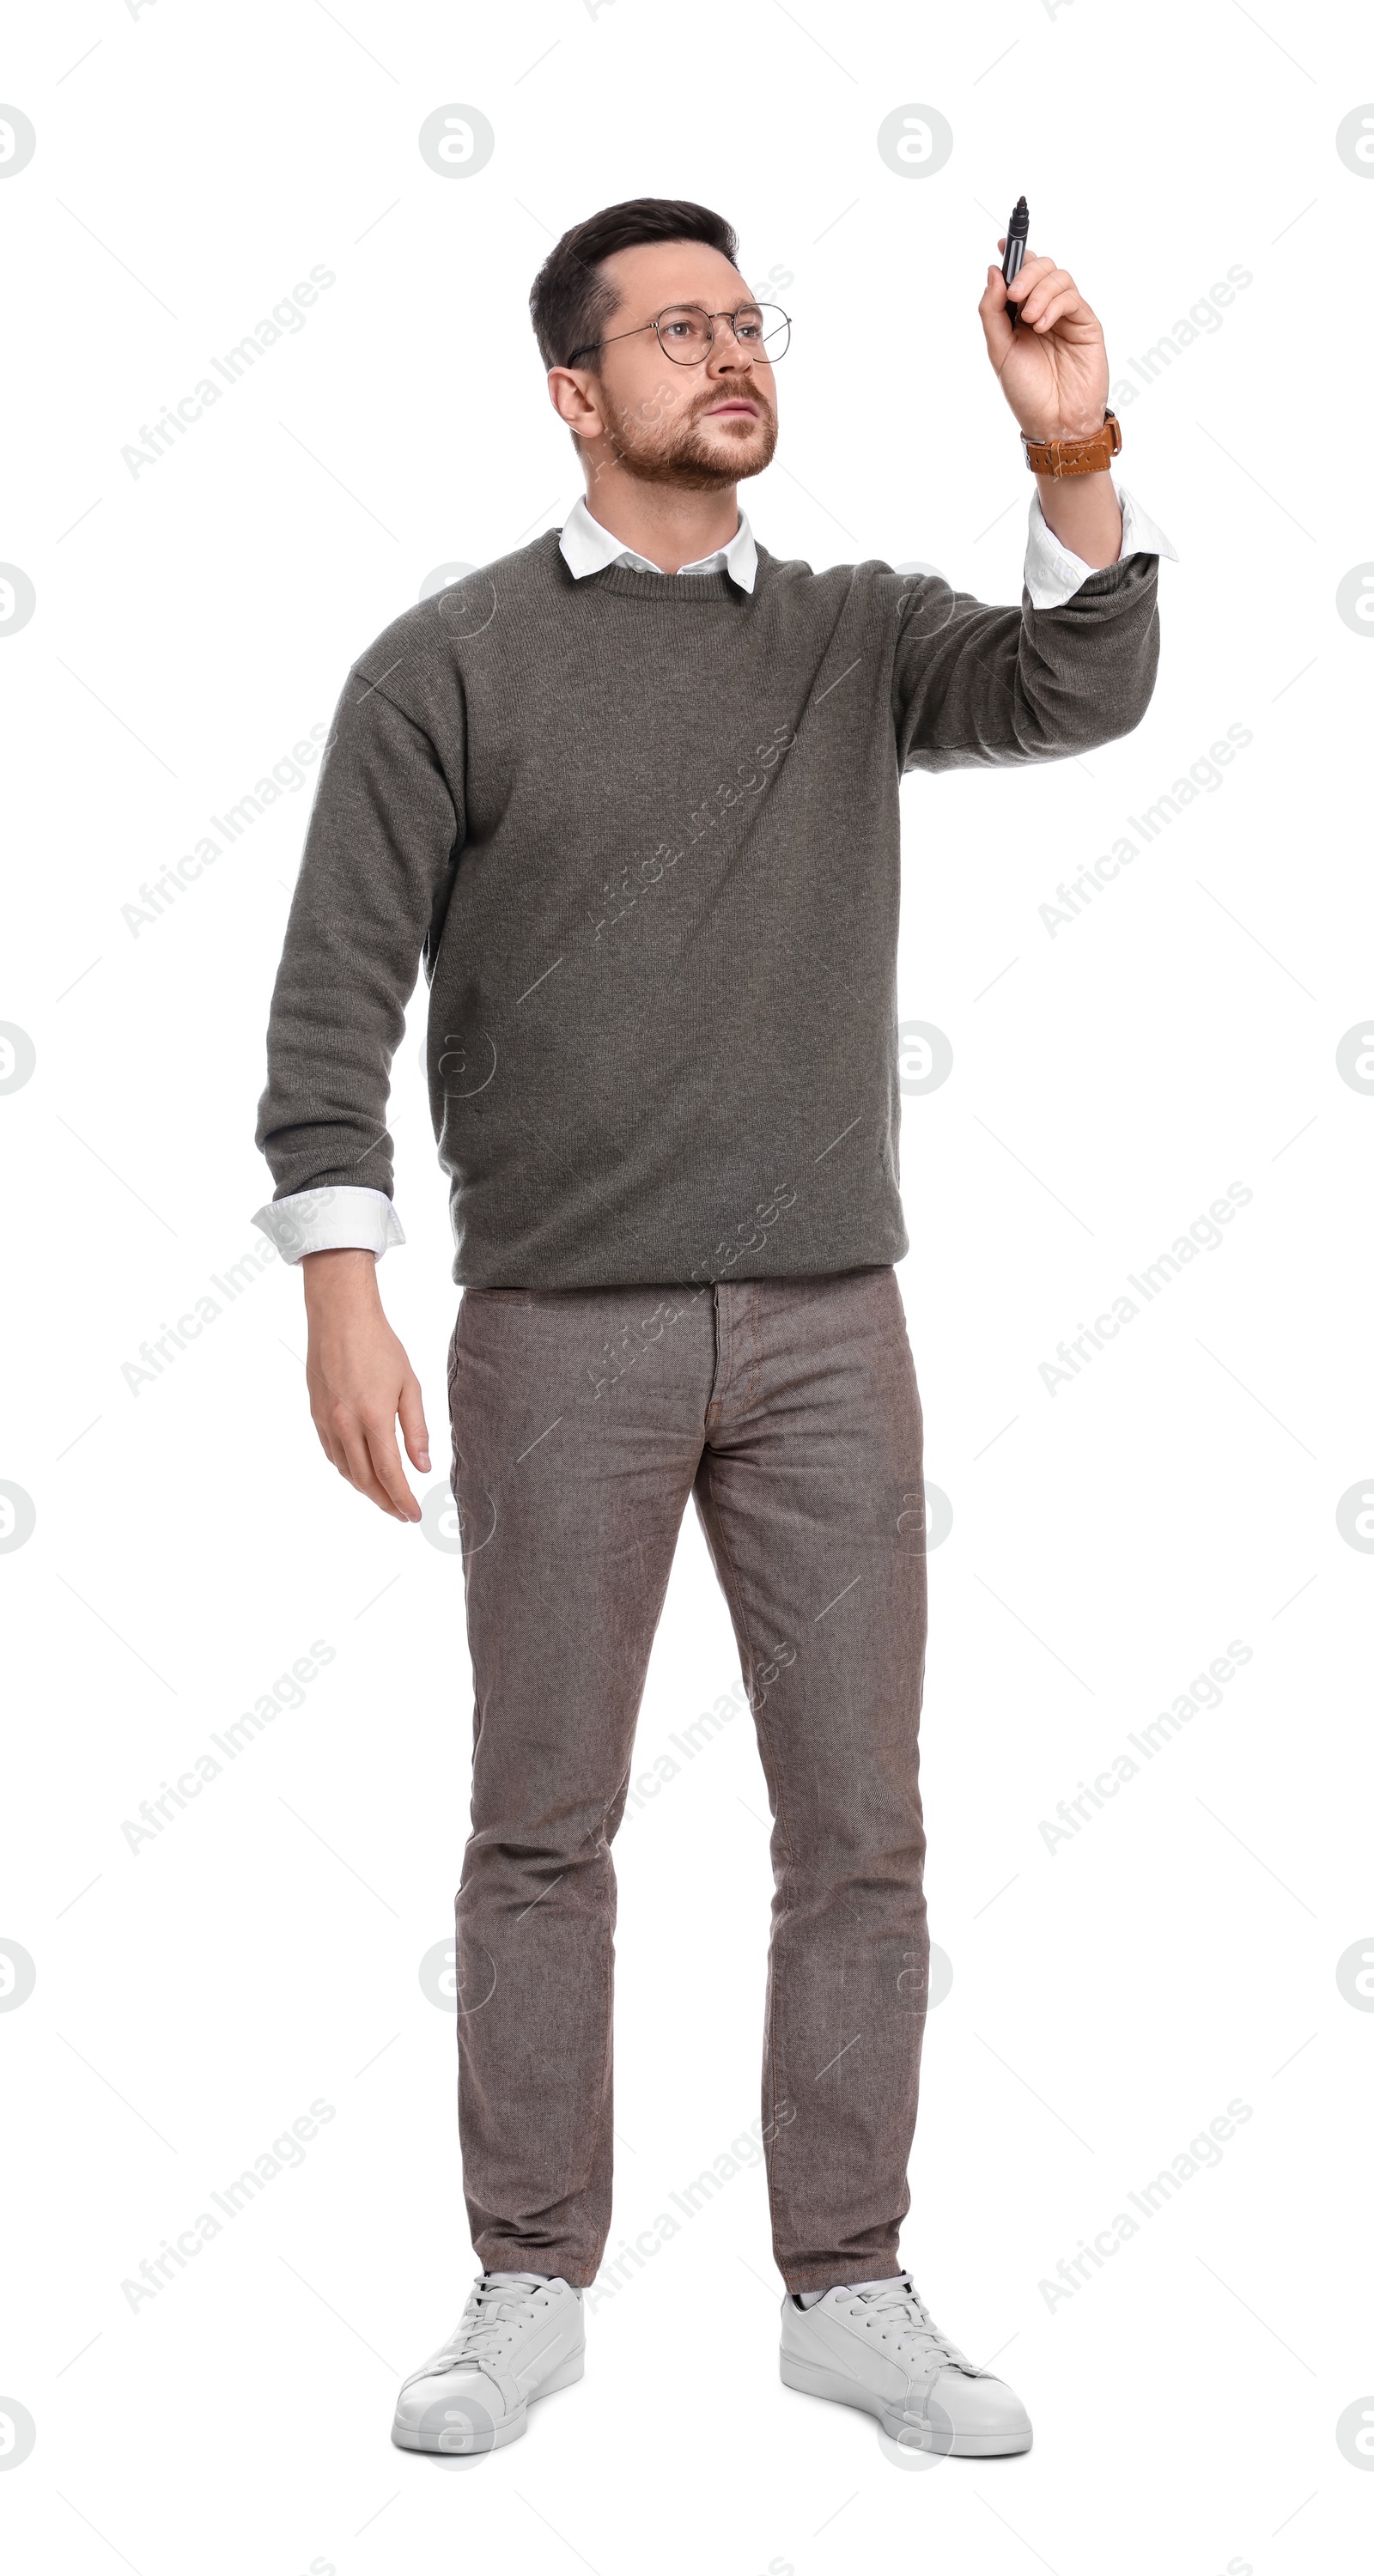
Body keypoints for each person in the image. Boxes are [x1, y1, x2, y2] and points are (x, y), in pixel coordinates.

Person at [252, 196, 1174, 2459]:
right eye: (678, 331)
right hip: (555, 1332)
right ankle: (527, 2281)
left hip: (832, 1327)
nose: (730, 356)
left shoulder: (851, 638)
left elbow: (1082, 680)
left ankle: (846, 2285)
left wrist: (1074, 456)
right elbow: (336, 997)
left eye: (748, 321)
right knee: (542, 1826)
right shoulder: (448, 663)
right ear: (578, 393)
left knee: (859, 1828)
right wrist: (343, 1292)